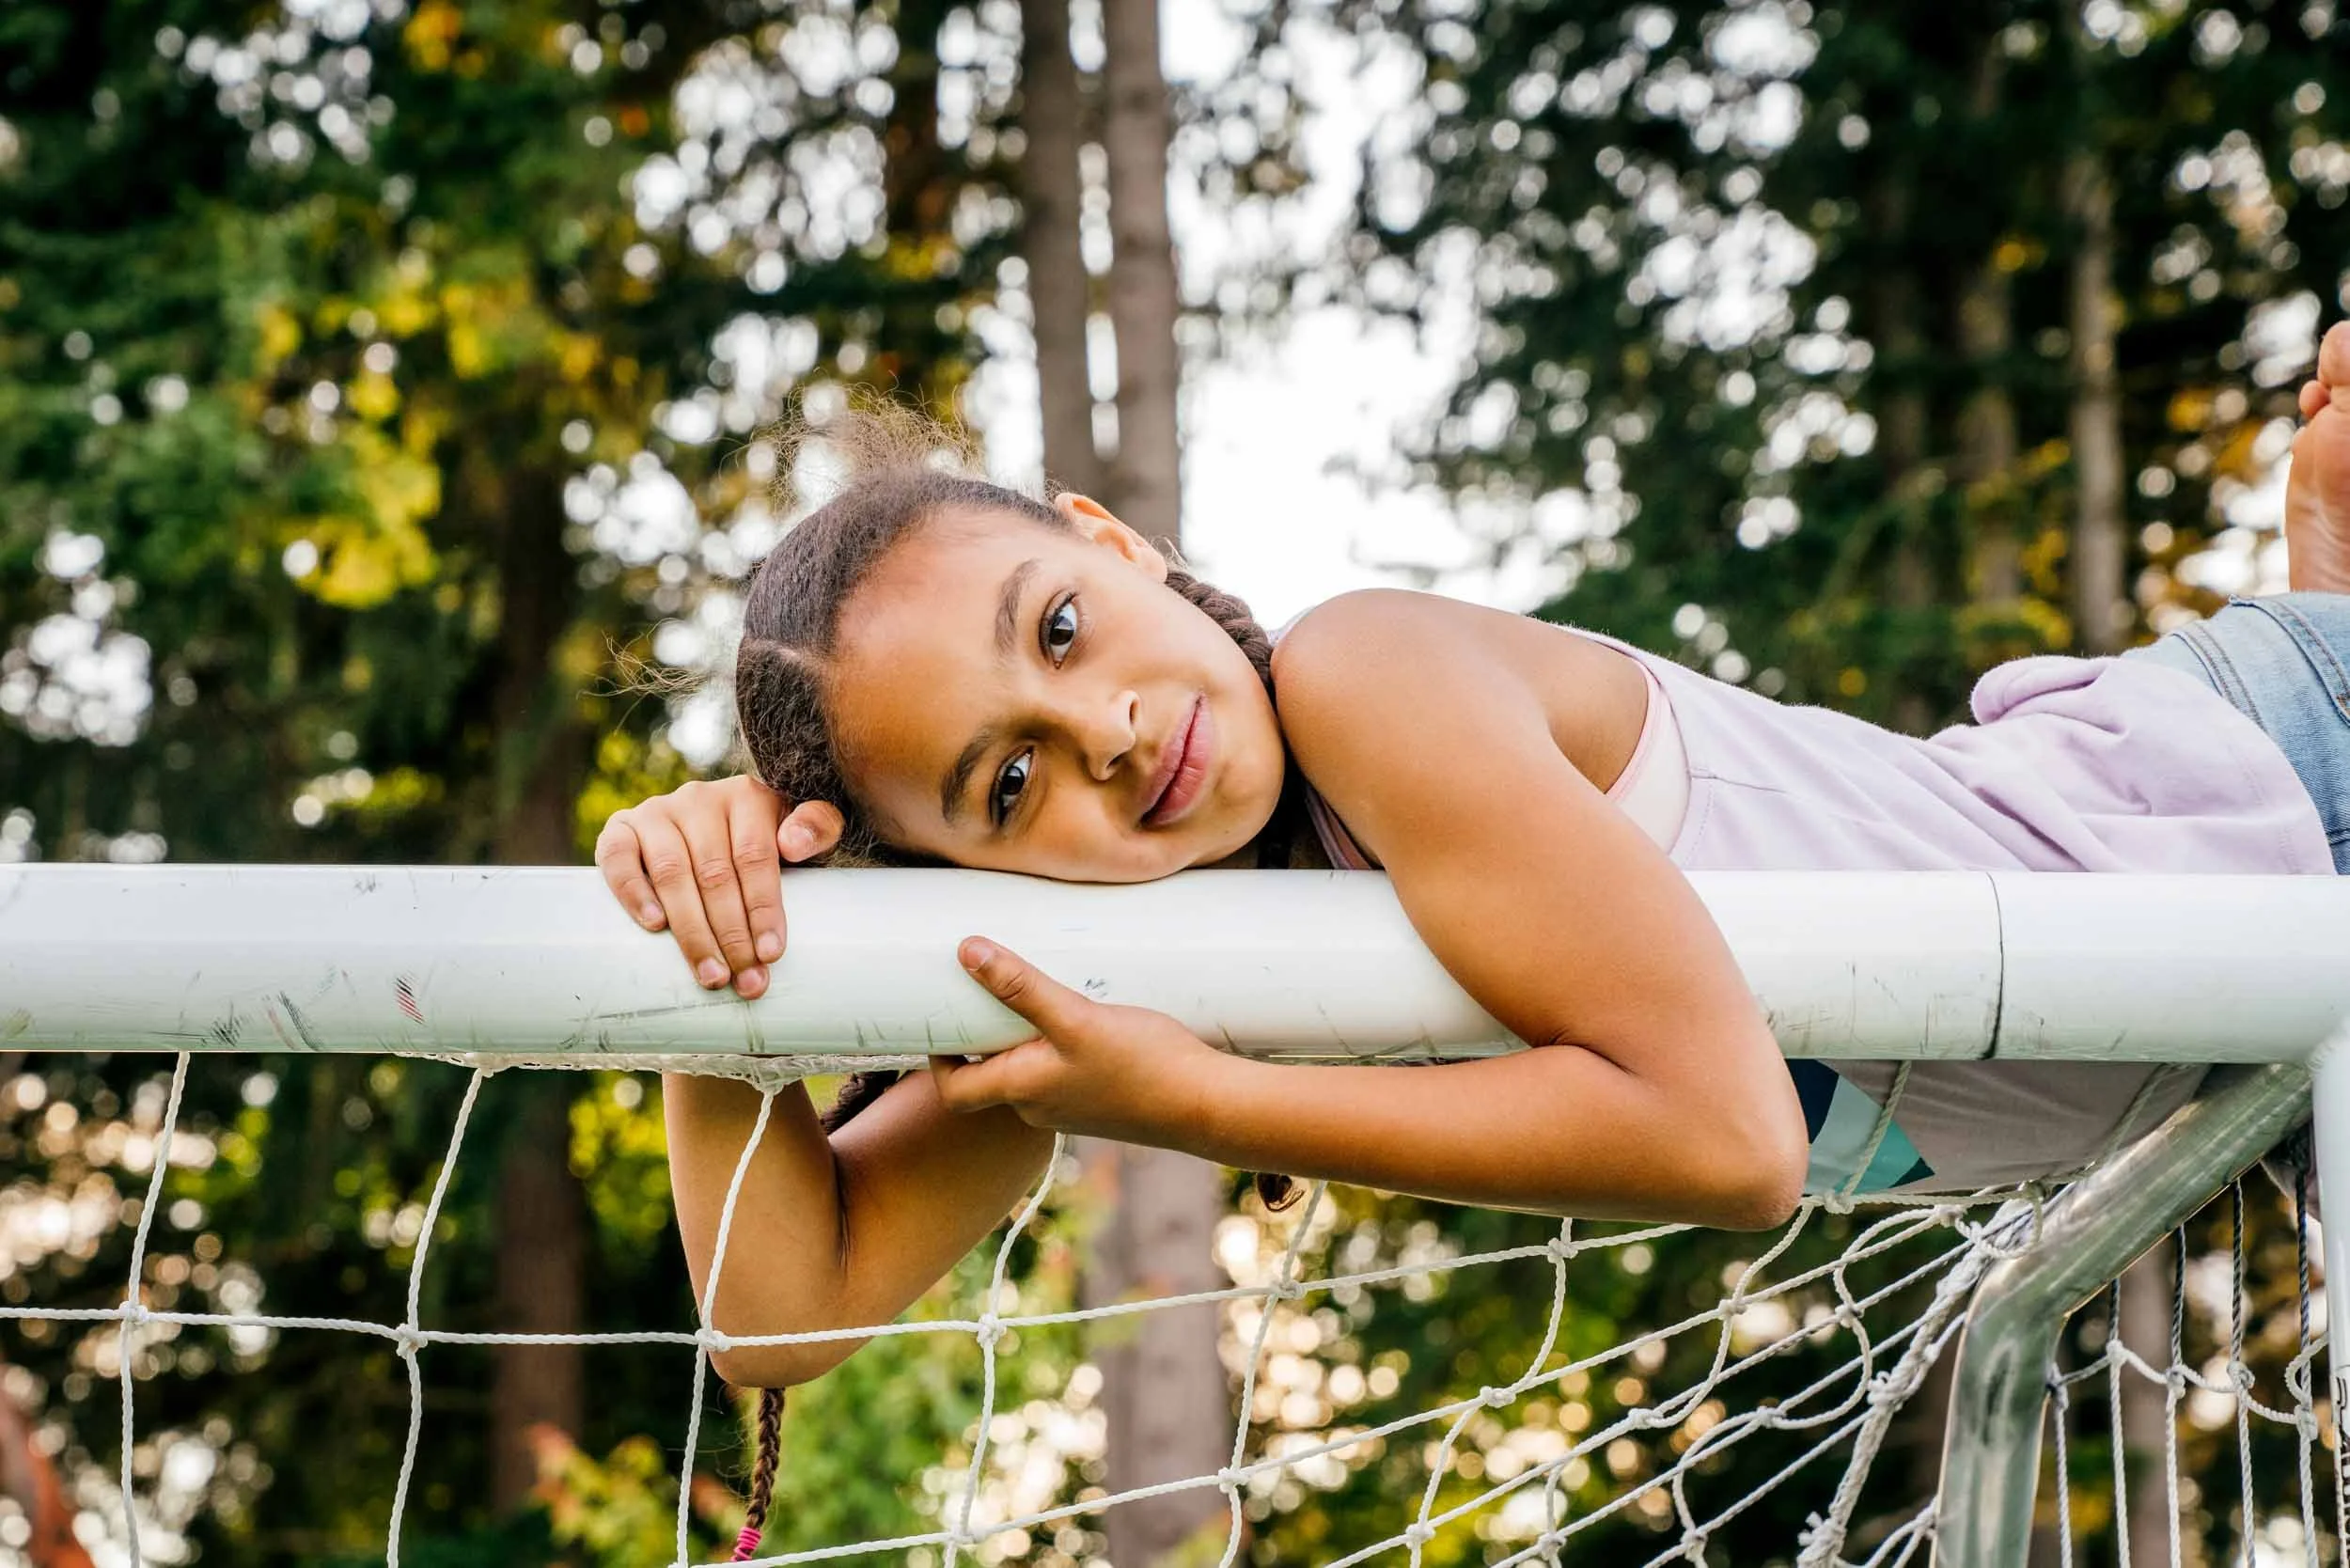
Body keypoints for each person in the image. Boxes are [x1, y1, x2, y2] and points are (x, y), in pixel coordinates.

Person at [599, 325, 2350, 1410]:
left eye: (1061, 627)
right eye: (1003, 781)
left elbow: (1730, 1140)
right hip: (2209, 946)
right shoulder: (1130, 976)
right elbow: (782, 1322)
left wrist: (1199, 1102)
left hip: (2281, 785)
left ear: (1111, 541)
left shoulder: (1368, 680)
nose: (1108, 733)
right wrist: (712, 957)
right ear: (963, 874)